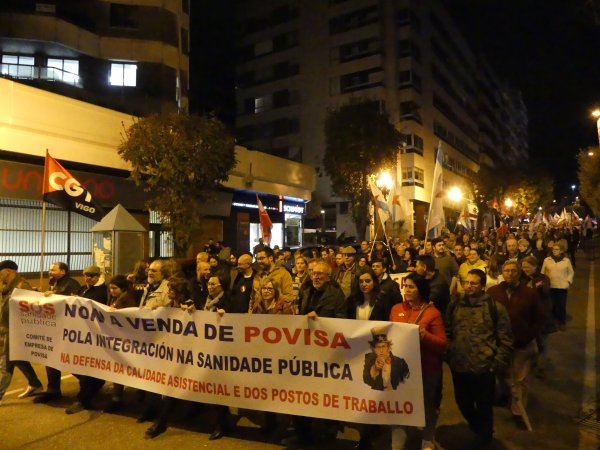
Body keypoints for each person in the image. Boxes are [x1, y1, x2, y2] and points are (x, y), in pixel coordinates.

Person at [445, 269, 513, 448]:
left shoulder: (495, 308)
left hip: (484, 367)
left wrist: (496, 364)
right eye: (466, 282)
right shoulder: (455, 304)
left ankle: (484, 438)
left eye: (473, 283)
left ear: (483, 286)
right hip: (459, 366)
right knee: (463, 403)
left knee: (484, 406)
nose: (468, 286)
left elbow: (505, 339)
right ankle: (480, 429)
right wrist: (449, 353)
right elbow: (448, 330)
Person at [389, 272, 447, 450]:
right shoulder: (396, 309)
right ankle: (398, 442)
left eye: (411, 287)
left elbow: (442, 344)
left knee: (427, 406)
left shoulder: (432, 313)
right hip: (401, 370)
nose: (406, 290)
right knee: (399, 405)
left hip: (426, 369)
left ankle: (427, 439)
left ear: (421, 290)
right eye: (405, 286)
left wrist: (424, 336)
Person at [487, 261, 546, 427]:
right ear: (502, 272)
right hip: (499, 343)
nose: (510, 274)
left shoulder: (529, 293)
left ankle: (518, 410)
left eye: (513, 271)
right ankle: (505, 395)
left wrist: (528, 335)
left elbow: (540, 318)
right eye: (506, 270)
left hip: (522, 344)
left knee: (520, 379)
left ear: (519, 274)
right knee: (502, 374)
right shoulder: (493, 292)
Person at [144, 277, 194, 438]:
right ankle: (161, 419)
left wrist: (189, 310)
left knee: (173, 387)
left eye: (172, 289)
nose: (169, 291)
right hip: (171, 353)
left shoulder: (188, 304)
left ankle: (161, 422)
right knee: (169, 386)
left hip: (186, 354)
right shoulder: (170, 305)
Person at [65, 266, 111, 414]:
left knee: (86, 366)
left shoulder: (103, 291)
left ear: (98, 276)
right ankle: (95, 384)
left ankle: (83, 399)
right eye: (85, 275)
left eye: (91, 275)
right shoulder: (83, 289)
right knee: (73, 363)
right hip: (81, 334)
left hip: (95, 335)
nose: (88, 278)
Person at [34, 262, 81, 404]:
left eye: (53, 270)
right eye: (50, 269)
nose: (50, 272)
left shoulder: (71, 284)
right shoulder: (53, 282)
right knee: (51, 357)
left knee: (68, 359)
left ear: (63, 271)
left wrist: (55, 295)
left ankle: (90, 381)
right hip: (54, 326)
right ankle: (53, 389)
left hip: (67, 328)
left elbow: (75, 302)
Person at [0, 260, 43, 402]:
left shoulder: (22, 286)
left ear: (8, 271)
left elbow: (31, 309)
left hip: (15, 330)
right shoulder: (6, 286)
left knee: (6, 364)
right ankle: (35, 383)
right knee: (17, 358)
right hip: (6, 329)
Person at [103, 275, 138, 413]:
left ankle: (118, 397)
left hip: (125, 339)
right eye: (110, 288)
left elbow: (132, 317)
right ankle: (116, 396)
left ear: (122, 288)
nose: (112, 291)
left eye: (115, 288)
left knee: (121, 367)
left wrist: (118, 313)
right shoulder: (113, 298)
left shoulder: (128, 300)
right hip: (115, 336)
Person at [521, 256, 555, 378]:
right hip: (527, 317)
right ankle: (528, 364)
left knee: (542, 344)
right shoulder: (522, 279)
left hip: (541, 317)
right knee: (527, 344)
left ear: (535, 266)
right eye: (523, 267)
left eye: (527, 267)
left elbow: (546, 292)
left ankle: (541, 367)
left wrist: (536, 287)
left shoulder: (543, 278)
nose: (525, 269)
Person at [362, 327, 410, 391]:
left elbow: (408, 382)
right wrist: (375, 368)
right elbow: (365, 380)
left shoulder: (400, 362)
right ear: (374, 349)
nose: (381, 350)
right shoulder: (368, 360)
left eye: (383, 346)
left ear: (388, 347)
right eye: (378, 347)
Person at [541, 243, 574, 331]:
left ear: (561, 251)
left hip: (562, 287)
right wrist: (544, 282)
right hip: (550, 286)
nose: (554, 251)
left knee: (561, 305)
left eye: (557, 249)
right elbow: (543, 272)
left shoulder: (566, 261)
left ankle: (562, 322)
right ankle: (551, 323)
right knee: (551, 305)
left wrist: (568, 281)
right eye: (553, 249)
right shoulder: (547, 260)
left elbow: (571, 272)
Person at [414, 255, 450, 319]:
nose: (415, 269)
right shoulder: (426, 278)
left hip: (438, 318)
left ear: (424, 267)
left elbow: (425, 303)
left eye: (417, 266)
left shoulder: (438, 284)